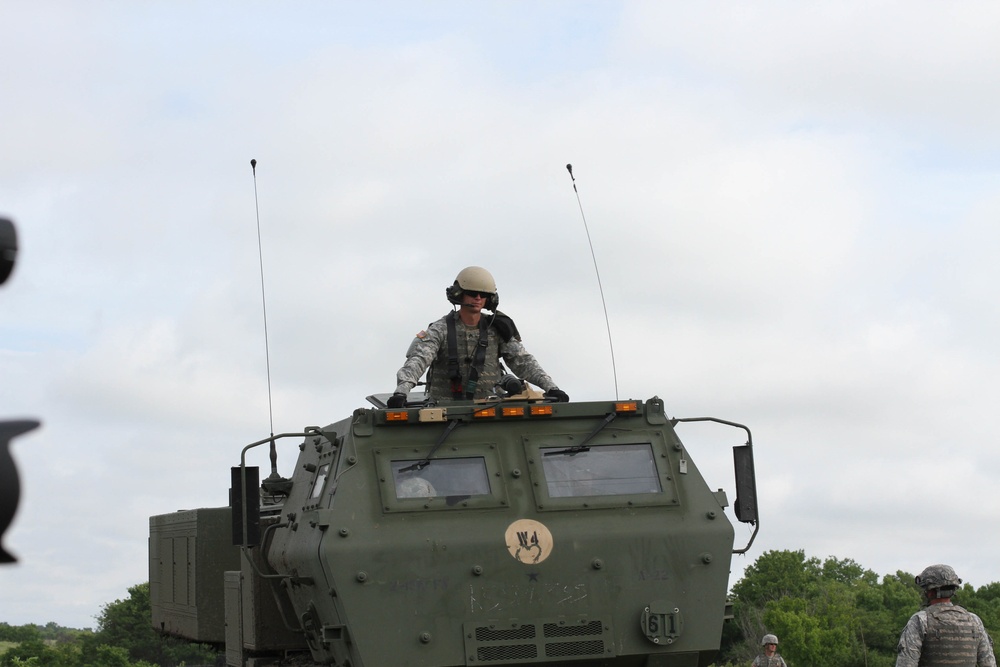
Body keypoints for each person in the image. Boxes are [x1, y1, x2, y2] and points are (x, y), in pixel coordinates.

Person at [387, 266, 568, 407]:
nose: (478, 298)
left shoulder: (497, 328)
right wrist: (401, 392)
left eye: (484, 295)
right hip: (444, 410)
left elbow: (523, 362)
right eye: (473, 293)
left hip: (489, 410)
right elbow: (418, 360)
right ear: (459, 294)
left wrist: (551, 388)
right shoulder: (440, 329)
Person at [895, 564, 996, 667]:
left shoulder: (920, 620)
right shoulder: (974, 620)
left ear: (929, 592)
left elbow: (906, 663)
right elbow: (989, 663)